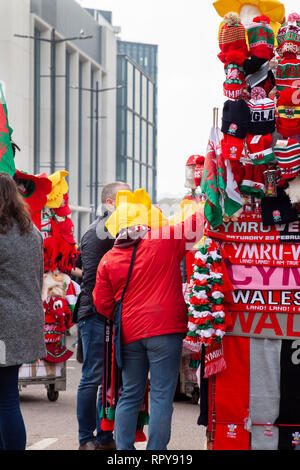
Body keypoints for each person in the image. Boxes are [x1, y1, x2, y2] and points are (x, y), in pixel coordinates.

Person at [93, 189, 204, 450]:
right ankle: (156, 451)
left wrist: (124, 315)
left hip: (130, 334)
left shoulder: (109, 259)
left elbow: (102, 304)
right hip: (166, 331)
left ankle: (125, 451)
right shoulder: (165, 239)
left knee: (130, 393)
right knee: (162, 395)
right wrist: (206, 195)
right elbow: (198, 223)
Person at [75, 181, 130, 451]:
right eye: (125, 198)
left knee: (105, 378)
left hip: (99, 312)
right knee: (94, 377)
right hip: (96, 313)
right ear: (110, 202)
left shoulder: (100, 228)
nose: (131, 204)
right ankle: (87, 438)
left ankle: (102, 437)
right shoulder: (107, 229)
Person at [0, 172, 46, 451]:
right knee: (7, 395)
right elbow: (37, 277)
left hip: (4, 324)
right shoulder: (33, 232)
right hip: (25, 320)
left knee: (5, 398)